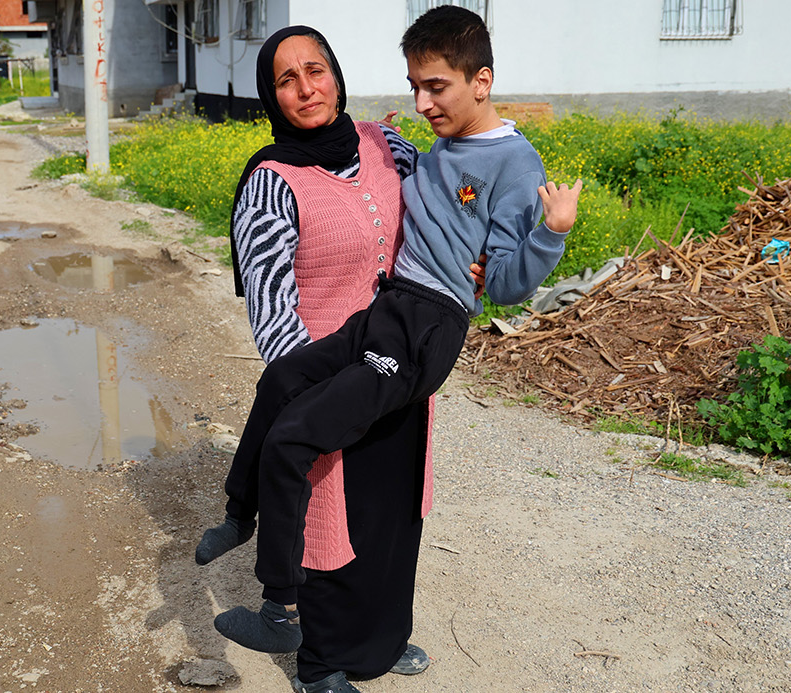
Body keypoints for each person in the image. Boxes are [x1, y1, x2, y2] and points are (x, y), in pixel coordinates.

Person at [199, 10, 582, 692]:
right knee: (329, 509)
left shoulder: (388, 145)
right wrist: (322, 384)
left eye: (316, 70)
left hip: (401, 339)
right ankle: (314, 652)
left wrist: (504, 258)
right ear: (270, 95)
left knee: (390, 510)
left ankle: (377, 641)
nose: (306, 88)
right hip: (343, 351)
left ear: (337, 76)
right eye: (286, 80)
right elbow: (270, 301)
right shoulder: (271, 180)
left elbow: (465, 213)